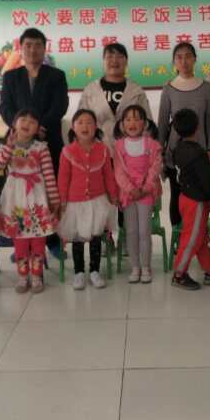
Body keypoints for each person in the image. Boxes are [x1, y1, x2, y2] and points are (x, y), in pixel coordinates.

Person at [0, 27, 68, 255]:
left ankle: (53, 241)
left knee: (49, 191)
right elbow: (5, 107)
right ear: (21, 48)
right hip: (19, 146)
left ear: (44, 48)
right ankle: (22, 242)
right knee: (22, 196)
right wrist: (21, 129)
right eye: (28, 45)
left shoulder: (56, 75)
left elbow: (60, 105)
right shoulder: (10, 77)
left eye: (38, 45)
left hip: (49, 141)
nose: (32, 49)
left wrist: (38, 127)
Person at [0, 109, 60, 294]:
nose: (27, 124)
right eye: (23, 119)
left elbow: (49, 175)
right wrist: (8, 147)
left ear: (37, 128)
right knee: (20, 240)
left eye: (32, 122)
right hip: (15, 199)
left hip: (37, 197)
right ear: (14, 123)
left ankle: (36, 275)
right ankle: (23, 276)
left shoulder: (41, 147)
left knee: (38, 239)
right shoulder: (6, 146)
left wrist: (55, 201)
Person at [170, 109, 210, 290]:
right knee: (192, 239)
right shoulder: (198, 153)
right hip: (195, 202)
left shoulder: (177, 148)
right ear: (197, 127)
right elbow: (206, 179)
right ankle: (179, 275)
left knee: (201, 237)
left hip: (184, 198)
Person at [57, 109, 118, 290]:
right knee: (77, 238)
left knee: (95, 237)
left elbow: (108, 175)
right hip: (75, 204)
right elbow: (63, 179)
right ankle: (79, 272)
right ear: (73, 127)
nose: (85, 126)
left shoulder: (103, 150)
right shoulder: (67, 151)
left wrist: (113, 195)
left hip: (98, 201)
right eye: (80, 122)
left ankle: (94, 271)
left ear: (96, 127)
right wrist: (62, 201)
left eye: (89, 122)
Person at [157, 42, 210, 227]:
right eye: (179, 57)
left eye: (188, 56)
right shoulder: (169, 88)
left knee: (200, 195)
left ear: (195, 59)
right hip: (176, 154)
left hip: (200, 153)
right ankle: (178, 235)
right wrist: (159, 152)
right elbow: (162, 123)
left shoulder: (206, 87)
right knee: (177, 194)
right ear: (174, 62)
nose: (184, 61)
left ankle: (198, 235)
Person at [113, 105, 163, 284]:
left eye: (136, 118)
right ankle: (135, 267)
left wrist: (145, 188)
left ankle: (146, 267)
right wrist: (130, 189)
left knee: (144, 231)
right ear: (122, 124)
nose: (132, 123)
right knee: (131, 231)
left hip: (145, 194)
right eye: (128, 119)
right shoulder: (118, 146)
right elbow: (118, 171)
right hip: (128, 195)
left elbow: (155, 167)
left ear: (144, 123)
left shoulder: (152, 145)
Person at [78, 42, 153, 151]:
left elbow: (148, 123)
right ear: (103, 61)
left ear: (126, 62)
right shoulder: (90, 90)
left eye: (120, 56)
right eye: (110, 56)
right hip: (96, 150)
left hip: (131, 152)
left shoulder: (136, 91)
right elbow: (80, 122)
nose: (114, 60)